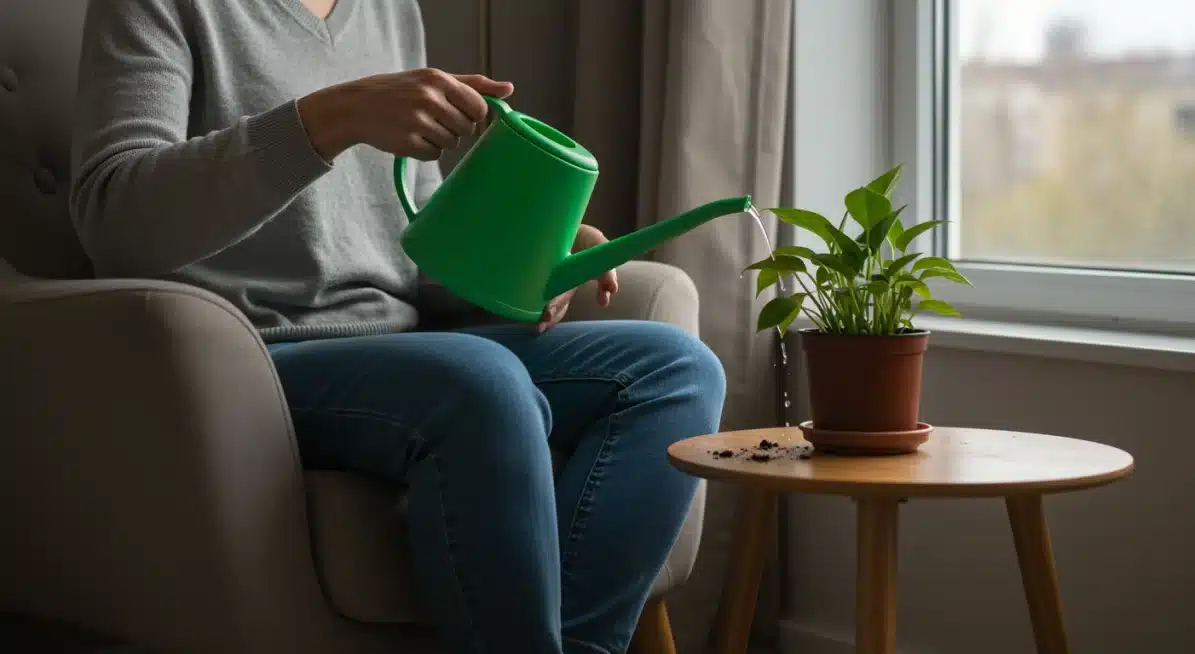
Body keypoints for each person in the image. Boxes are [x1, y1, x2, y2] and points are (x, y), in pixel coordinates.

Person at [69, 1, 726, 652]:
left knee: (674, 369)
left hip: (397, 349)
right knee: (479, 380)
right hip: (244, 357)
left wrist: (527, 254)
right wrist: (329, 119)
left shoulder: (386, 9)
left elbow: (409, 241)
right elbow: (114, 217)